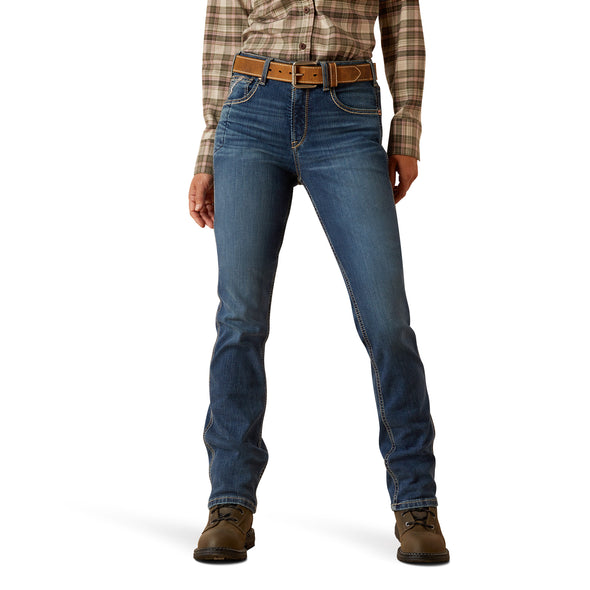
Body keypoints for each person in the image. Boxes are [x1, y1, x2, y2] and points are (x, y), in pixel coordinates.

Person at [188, 0, 449, 565]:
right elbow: (224, 28)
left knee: (387, 322)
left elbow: (402, 22)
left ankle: (416, 503)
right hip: (251, 110)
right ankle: (229, 503)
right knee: (240, 320)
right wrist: (208, 150)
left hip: (346, 114)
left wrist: (406, 128)